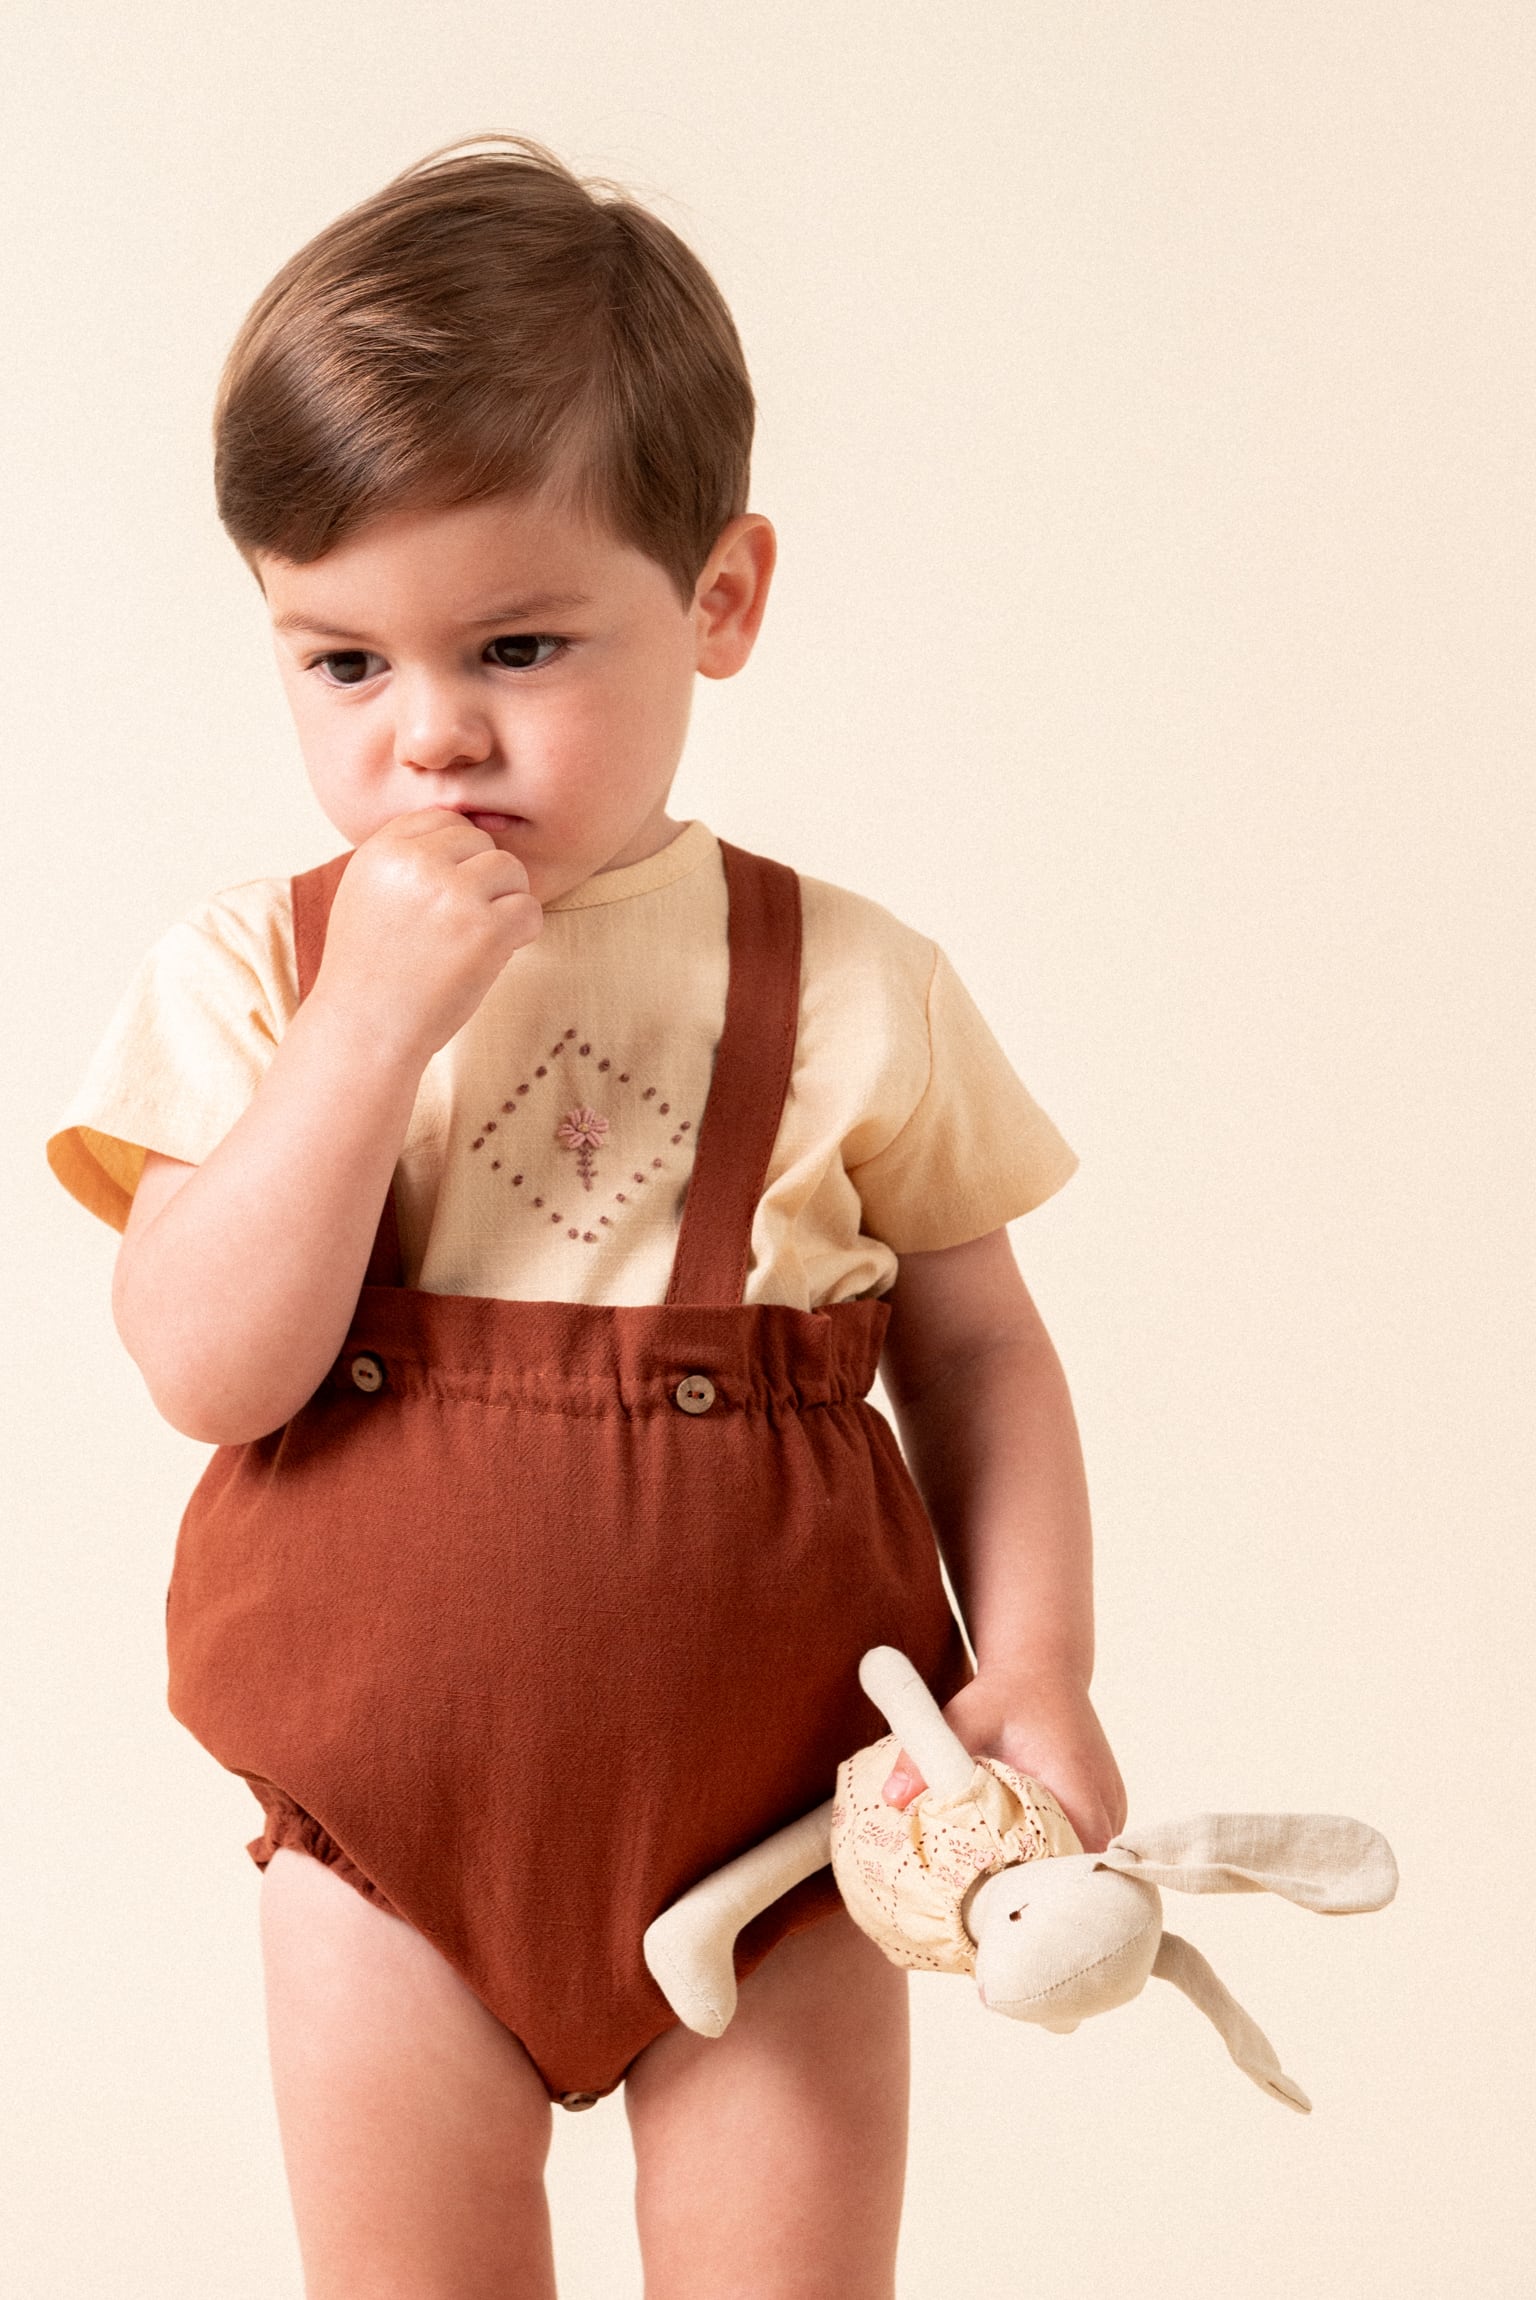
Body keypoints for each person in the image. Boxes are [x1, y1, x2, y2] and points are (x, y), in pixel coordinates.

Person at [48, 136, 1127, 2300]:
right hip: (381, 1839)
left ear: (720, 601)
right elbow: (207, 1370)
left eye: (518, 645)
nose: (430, 736)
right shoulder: (254, 976)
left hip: (796, 1828)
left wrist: (1039, 1661)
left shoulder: (854, 984)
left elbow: (982, 1347)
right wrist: (368, 1030)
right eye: (341, 664)